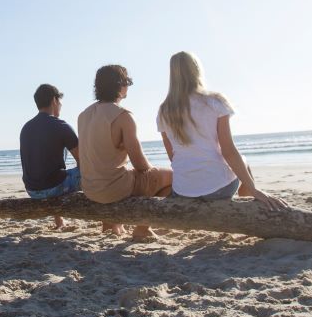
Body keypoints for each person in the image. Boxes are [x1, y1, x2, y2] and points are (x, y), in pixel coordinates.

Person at [157, 51, 285, 210]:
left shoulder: (164, 110)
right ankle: (246, 209)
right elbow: (228, 151)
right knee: (244, 162)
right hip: (218, 189)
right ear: (196, 70)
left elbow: (173, 157)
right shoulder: (214, 101)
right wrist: (254, 189)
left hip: (183, 190)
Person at [76, 65, 173, 241]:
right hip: (112, 189)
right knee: (172, 178)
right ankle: (143, 227)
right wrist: (154, 172)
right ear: (120, 85)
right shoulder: (123, 116)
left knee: (118, 173)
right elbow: (140, 164)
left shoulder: (84, 115)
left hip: (90, 188)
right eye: (127, 82)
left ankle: (110, 223)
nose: (128, 86)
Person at [20, 84, 80, 228]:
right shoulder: (61, 125)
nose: (60, 106)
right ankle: (108, 222)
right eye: (60, 102)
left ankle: (59, 221)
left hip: (32, 190)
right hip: (53, 188)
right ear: (54, 100)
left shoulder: (26, 128)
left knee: (52, 167)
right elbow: (83, 161)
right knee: (95, 172)